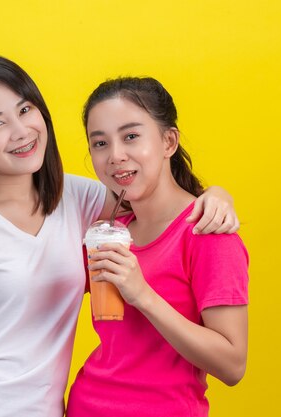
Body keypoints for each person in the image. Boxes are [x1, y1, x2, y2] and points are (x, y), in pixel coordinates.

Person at [0, 54, 240, 417]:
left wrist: (216, 196)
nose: (20, 132)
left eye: (24, 110)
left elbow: (151, 193)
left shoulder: (80, 199)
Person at [66, 77, 249, 417]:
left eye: (131, 136)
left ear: (169, 141)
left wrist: (143, 295)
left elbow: (232, 364)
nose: (115, 156)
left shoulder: (208, 233)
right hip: (85, 406)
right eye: (100, 143)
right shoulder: (106, 234)